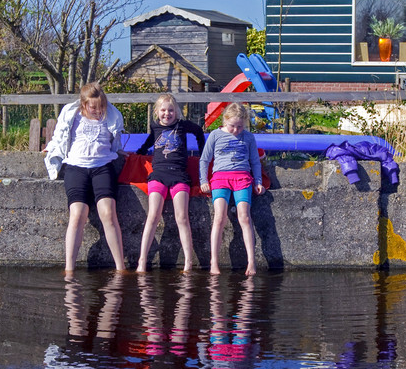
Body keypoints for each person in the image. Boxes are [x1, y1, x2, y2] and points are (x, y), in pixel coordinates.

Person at [45, 83, 127, 272]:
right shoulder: (71, 115)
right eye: (93, 107)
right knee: (77, 214)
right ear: (83, 104)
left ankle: (120, 267)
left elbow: (115, 140)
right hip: (76, 167)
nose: (98, 111)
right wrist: (51, 149)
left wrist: (120, 151)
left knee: (108, 212)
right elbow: (60, 136)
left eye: (101, 107)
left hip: (102, 166)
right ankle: (69, 269)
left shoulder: (111, 115)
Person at [135, 93, 206, 272]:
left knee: (181, 217)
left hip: (179, 176)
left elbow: (198, 131)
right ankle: (142, 261)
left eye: (171, 110)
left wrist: (202, 152)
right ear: (157, 112)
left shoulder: (182, 126)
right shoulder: (155, 126)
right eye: (164, 110)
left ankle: (188, 261)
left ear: (177, 112)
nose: (167, 114)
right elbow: (150, 140)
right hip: (158, 175)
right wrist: (140, 151)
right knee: (153, 216)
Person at [198, 103, 263, 275]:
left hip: (242, 178)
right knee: (219, 217)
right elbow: (204, 160)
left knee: (245, 217)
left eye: (240, 126)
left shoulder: (248, 137)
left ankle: (251, 262)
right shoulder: (215, 135)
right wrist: (203, 180)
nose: (236, 130)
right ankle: (214, 262)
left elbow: (255, 161)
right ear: (225, 121)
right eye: (232, 126)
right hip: (220, 178)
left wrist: (258, 181)